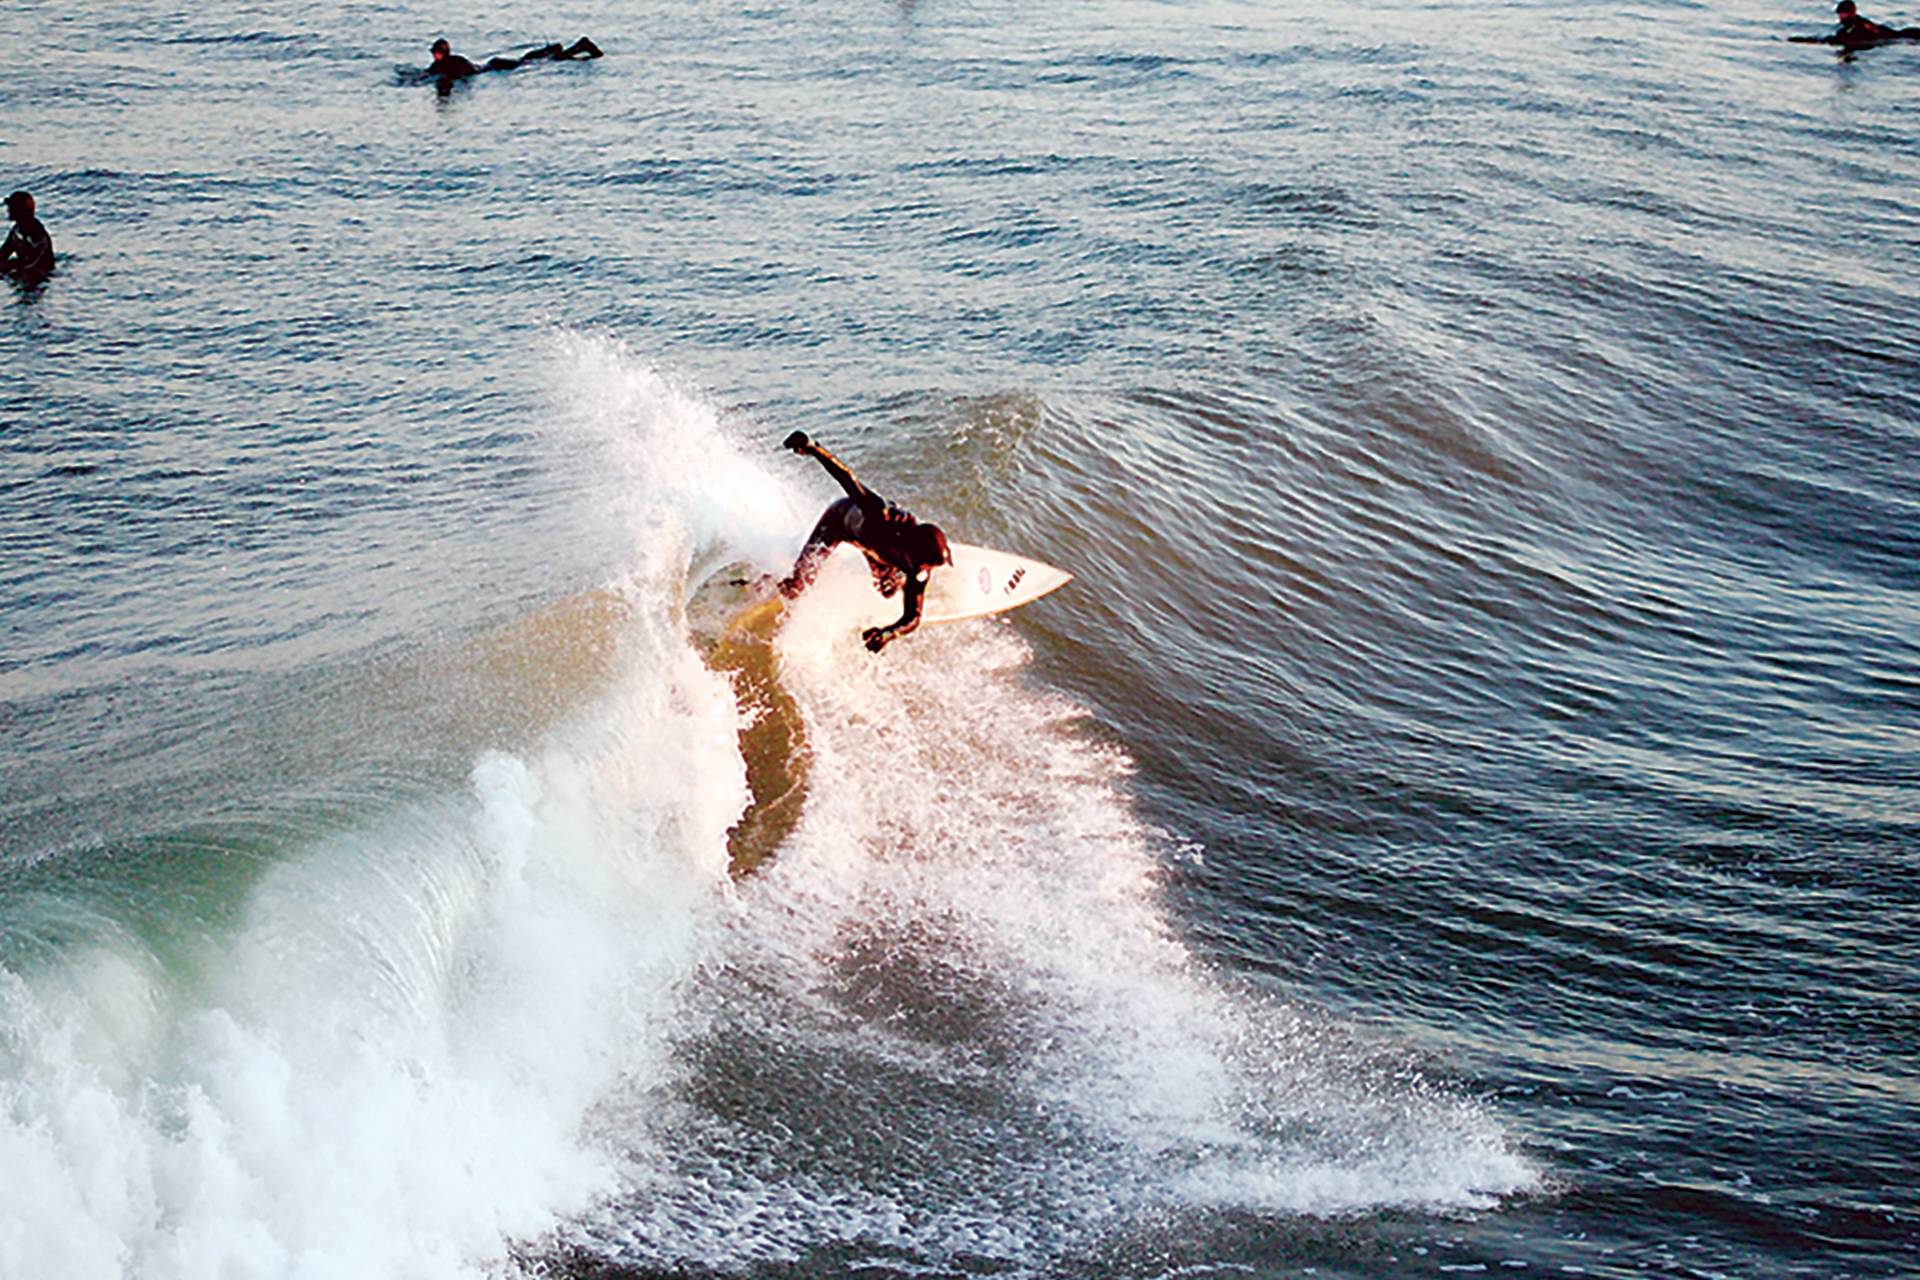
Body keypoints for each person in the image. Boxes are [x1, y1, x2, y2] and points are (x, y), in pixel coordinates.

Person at [778, 431, 952, 653]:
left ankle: (893, 579)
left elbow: (913, 618)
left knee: (887, 592)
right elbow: (846, 478)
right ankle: (768, 582)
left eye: (931, 566)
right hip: (838, 523)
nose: (926, 570)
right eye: (927, 564)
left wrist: (888, 633)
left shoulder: (918, 568)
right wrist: (813, 448)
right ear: (913, 550)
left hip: (874, 548)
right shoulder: (882, 516)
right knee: (798, 585)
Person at [428, 35, 603, 86]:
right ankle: (551, 50)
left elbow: (468, 74)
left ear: (443, 53)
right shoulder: (444, 63)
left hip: (495, 68)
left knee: (535, 63)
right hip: (493, 65)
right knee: (526, 61)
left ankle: (580, 46)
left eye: (436, 53)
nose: (434, 56)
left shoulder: (453, 62)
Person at [0, 191, 53, 284]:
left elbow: (35, 261)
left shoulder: (37, 232)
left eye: (12, 207)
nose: (8, 210)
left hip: (40, 276)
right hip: (24, 274)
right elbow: (3, 253)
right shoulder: (16, 231)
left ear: (20, 209)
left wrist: (11, 270)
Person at [1830, 1, 1917, 44]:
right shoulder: (1853, 22)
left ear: (1849, 13)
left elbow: (1870, 32)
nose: (1840, 16)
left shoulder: (1855, 23)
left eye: (1842, 13)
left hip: (1890, 36)